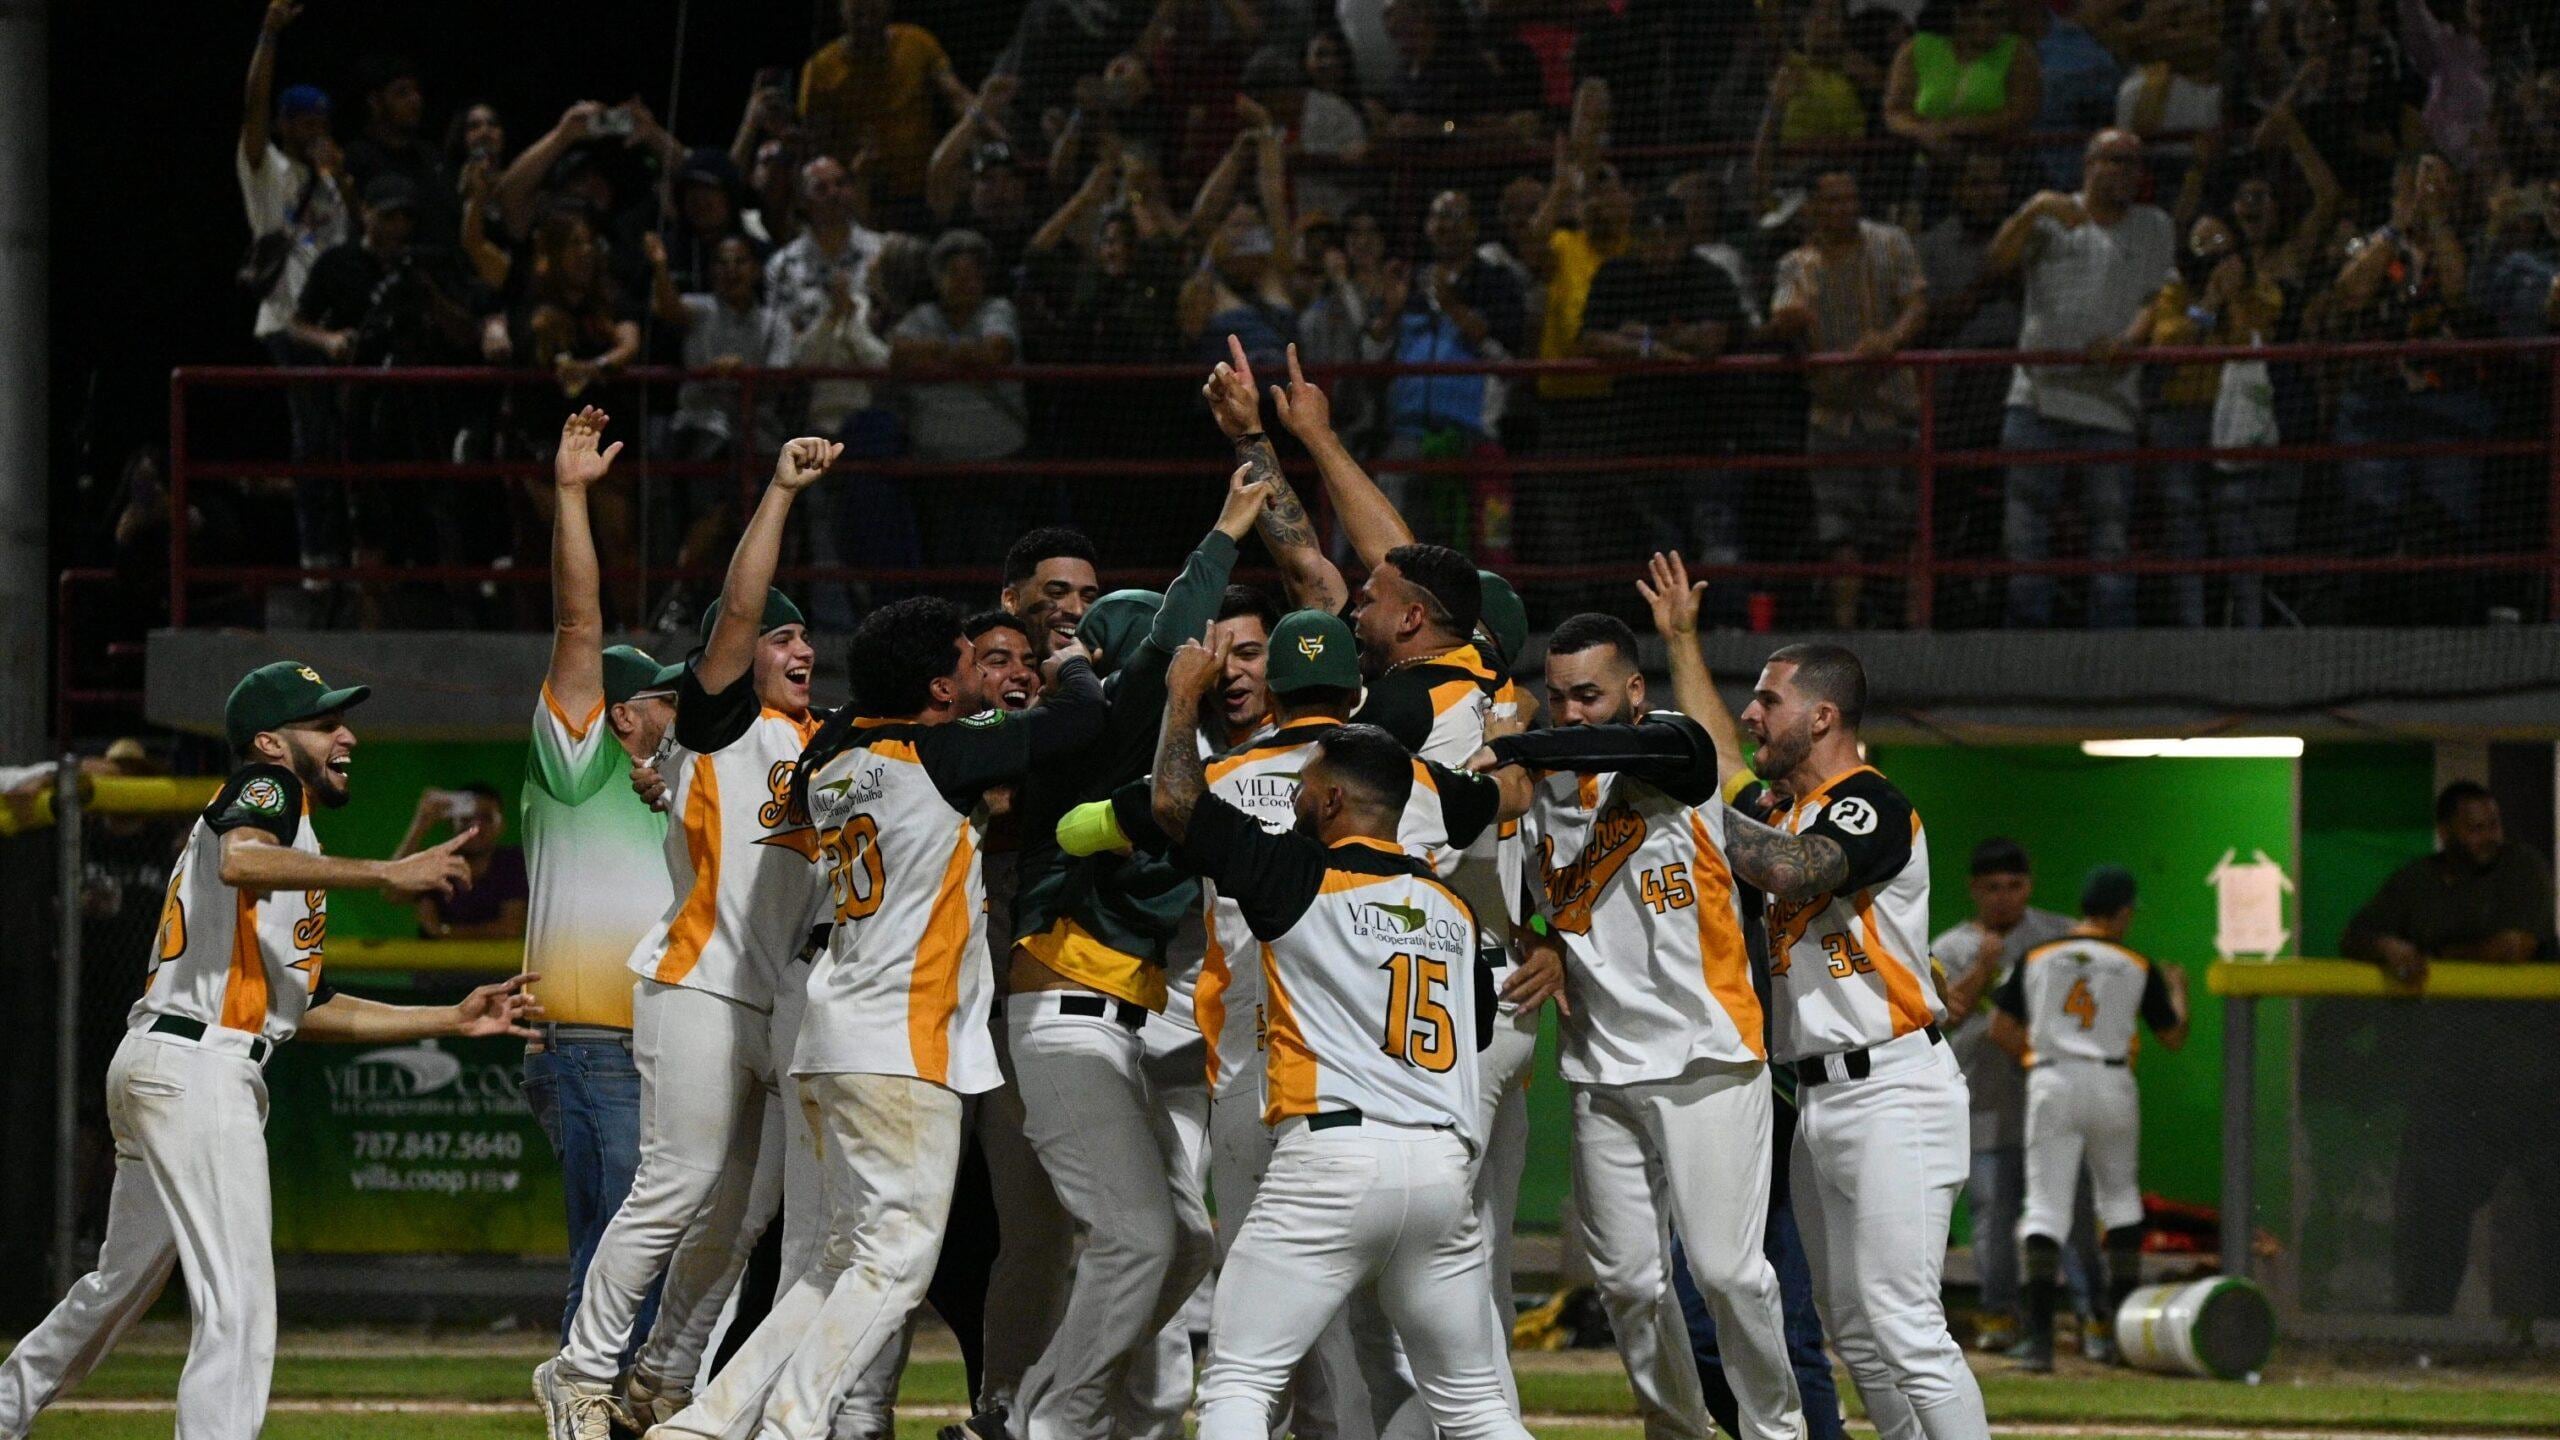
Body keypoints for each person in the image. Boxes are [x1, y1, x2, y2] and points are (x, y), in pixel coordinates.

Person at [0, 663, 535, 1440]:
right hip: (198, 1069)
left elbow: (307, 1009)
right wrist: (386, 870)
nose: (344, 733)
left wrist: (449, 1017)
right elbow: (240, 859)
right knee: (240, 1303)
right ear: (269, 741)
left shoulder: (297, 831)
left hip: (171, 1059)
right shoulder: (269, 789)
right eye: (322, 723)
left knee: (114, 1291)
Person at [645, 596, 1105, 1440]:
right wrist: (1071, 658)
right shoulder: (939, 755)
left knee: (832, 1266)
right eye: (971, 657)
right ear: (936, 686)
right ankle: (792, 1425)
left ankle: (706, 1425)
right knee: (895, 1266)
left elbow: (873, 714)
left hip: (832, 1033)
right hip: (900, 1041)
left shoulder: (834, 754)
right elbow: (1082, 724)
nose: (986, 668)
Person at [1146, 641, 1536, 1440]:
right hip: (1438, 1172)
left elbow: (1177, 804)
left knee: (1240, 1386)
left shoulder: (1297, 876)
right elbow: (1478, 1030)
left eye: (1303, 788)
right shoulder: (1453, 911)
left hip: (1330, 1162)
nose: (1292, 799)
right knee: (1478, 1408)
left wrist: (1183, 697)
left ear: (1331, 804)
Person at [535, 435, 843, 1439]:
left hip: (782, 1002)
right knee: (672, 1188)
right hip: (699, 980)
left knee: (745, 1215)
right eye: (778, 637)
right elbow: (741, 608)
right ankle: (578, 1375)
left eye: (807, 639)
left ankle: (662, 1377)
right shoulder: (714, 722)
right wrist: (779, 493)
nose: (797, 649)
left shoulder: (824, 745)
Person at [1468, 604, 1806, 1440]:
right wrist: (1543, 941)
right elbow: (1546, 908)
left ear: (1633, 690)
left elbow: (1629, 748)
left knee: (1728, 1275)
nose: (1573, 712)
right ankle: (1679, 1429)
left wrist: (1509, 739)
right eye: (1558, 697)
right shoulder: (1543, 796)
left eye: (1590, 694)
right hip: (1600, 1069)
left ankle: (1777, 1432)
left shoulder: (1673, 755)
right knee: (1625, 1284)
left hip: (1708, 1058)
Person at [999, 472, 1273, 1440]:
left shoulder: (1166, 752)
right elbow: (1161, 655)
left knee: (1184, 1245)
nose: (1197, 661)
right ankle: (1049, 1419)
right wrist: (1229, 525)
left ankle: (1056, 1404)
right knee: (1135, 1239)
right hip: (1064, 1012)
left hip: (1114, 1021)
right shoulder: (1096, 733)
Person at [1687, 643, 1988, 1440]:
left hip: (1896, 1089)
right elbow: (1722, 762)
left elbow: (1791, 871)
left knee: (1907, 1328)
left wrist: (1687, 809)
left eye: (1769, 699)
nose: (1754, 713)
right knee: (1855, 1332)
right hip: (1817, 1097)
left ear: (1822, 716)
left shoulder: (1869, 804)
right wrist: (1684, 638)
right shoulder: (1781, 808)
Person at [516, 408, 685, 1359]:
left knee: (630, 1248)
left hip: (640, 1043)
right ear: (619, 712)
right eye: (661, 694)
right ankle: (584, 1403)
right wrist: (574, 497)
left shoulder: (673, 789)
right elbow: (579, 623)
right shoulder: (576, 763)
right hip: (592, 1044)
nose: (676, 704)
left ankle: (604, 1406)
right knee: (623, 1250)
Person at [2340, 781, 2559, 1316]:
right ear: (2446, 832)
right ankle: (2424, 1341)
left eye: (2494, 825)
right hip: (2454, 1080)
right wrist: (2390, 945)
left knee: (2553, 1214)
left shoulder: (2520, 867)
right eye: (2475, 827)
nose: (2488, 837)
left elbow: (2515, 949)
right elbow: (2356, 935)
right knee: (2432, 1218)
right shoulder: (2419, 882)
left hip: (2536, 1077)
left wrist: (2432, 953)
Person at [1990, 866, 2190, 1370]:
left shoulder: (2037, 956)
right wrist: (2179, 990)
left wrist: (2035, 1060)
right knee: (2120, 1200)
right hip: (2111, 1081)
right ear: (2121, 912)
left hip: (2052, 1078)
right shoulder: (2134, 962)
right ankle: (2122, 1337)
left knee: (2045, 1209)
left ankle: (2039, 1344)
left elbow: (2000, 1028)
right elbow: (2172, 1036)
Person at [1985, 129, 2173, 629]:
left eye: (2134, 164)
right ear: (2089, 164)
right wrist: (2033, 211)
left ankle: (2111, 658)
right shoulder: (2051, 214)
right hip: (2037, 398)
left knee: (2110, 535)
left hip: (2110, 403)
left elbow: (2159, 298)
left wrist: (2128, 343)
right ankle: (2027, 653)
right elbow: (1995, 262)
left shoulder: (2153, 225)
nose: (2125, 173)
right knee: (2026, 535)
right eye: (2114, 160)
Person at [1930, 837, 2089, 1356]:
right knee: (1992, 1219)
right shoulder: (1951, 947)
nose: (2004, 897)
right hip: (1984, 1104)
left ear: (2029, 886)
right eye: (1992, 887)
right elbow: (1949, 1013)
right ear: (1975, 890)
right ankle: (1999, 1314)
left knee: (2070, 1214)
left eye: (2014, 886)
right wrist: (1984, 964)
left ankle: (2090, 1318)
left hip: (2053, 1105)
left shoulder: (2056, 935)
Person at [1765, 171, 1929, 629]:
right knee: (1839, 531)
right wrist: (1791, 320)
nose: (1844, 208)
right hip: (1832, 412)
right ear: (1814, 208)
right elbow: (1781, 318)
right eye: (1832, 200)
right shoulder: (1798, 264)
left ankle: (1915, 629)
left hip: (1889, 405)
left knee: (1903, 527)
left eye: (1850, 198)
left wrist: (1890, 339)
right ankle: (1846, 631)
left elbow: (1917, 302)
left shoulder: (1890, 242)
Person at [236, 0, 352, 612]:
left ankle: (344, 559)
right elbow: (252, 107)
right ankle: (315, 564)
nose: (314, 129)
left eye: (322, 121)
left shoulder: (332, 182)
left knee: (337, 443)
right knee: (311, 440)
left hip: (331, 330)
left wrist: (343, 181)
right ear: (284, 126)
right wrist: (269, 35)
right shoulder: (268, 171)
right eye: (302, 121)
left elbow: (351, 251)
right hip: (286, 325)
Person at [798, 0, 975, 226]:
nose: (866, 22)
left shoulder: (917, 42)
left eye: (873, 12)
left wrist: (988, 122)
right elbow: (816, 142)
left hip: (926, 187)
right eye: (858, 14)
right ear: (842, 13)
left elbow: (955, 95)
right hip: (862, 194)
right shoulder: (821, 68)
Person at [1882, 0, 2043, 159]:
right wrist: (1925, 131)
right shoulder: (1915, 50)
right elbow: (1895, 112)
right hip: (1929, 163)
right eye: (1987, 14)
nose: (1996, 23)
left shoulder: (2019, 52)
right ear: (1959, 13)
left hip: (1997, 162)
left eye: (2001, 14)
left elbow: (2023, 111)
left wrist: (1967, 127)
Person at [766, 156, 887, 339]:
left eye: (840, 184)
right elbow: (783, 336)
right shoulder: (783, 264)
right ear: (803, 202)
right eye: (821, 188)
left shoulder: (882, 250)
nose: (834, 193)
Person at [394, 782, 529, 939]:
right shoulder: (435, 862)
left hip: (493, 963)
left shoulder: (512, 862)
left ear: (501, 825)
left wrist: (444, 932)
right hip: (439, 962)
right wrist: (421, 822)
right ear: (451, 823)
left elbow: (510, 929)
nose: (476, 826)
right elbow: (394, 894)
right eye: (466, 817)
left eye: (486, 817)